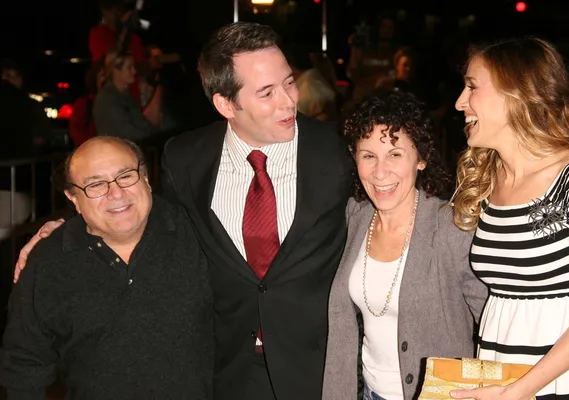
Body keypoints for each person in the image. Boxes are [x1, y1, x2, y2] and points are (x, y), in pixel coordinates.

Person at [15, 22, 353, 400]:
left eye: (289, 82)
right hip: (229, 370)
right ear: (226, 103)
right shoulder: (188, 157)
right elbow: (148, 216)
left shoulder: (340, 150)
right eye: (267, 92)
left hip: (323, 367)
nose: (289, 101)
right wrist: (67, 230)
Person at [1, 136, 213, 399]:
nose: (116, 193)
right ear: (74, 198)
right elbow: (24, 365)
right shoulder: (48, 263)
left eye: (125, 176)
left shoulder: (200, 234)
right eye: (96, 185)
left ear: (145, 178)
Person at [450, 37, 569, 400]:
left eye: (472, 87)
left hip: (557, 386)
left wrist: (520, 390)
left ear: (516, 92)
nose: (459, 103)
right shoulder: (489, 178)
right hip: (498, 378)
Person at [322, 92, 487, 400]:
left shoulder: (451, 228)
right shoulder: (356, 216)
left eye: (395, 154)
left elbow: (494, 319)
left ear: (421, 158)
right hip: (369, 393)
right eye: (368, 155)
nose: (380, 172)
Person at [93, 50, 163, 141]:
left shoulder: (125, 95)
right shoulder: (107, 99)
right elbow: (127, 134)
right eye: (129, 67)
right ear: (116, 71)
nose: (134, 71)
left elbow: (142, 123)